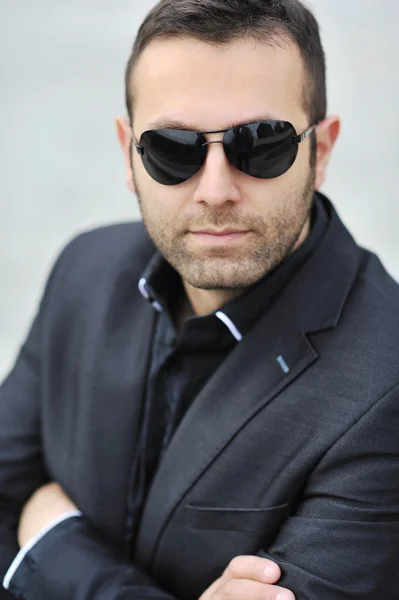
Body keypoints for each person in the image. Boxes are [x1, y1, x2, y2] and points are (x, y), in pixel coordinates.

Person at [1, 0, 399, 598]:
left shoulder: (386, 382)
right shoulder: (84, 272)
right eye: (173, 148)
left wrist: (52, 540)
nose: (216, 190)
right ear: (128, 155)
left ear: (322, 152)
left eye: (261, 145)